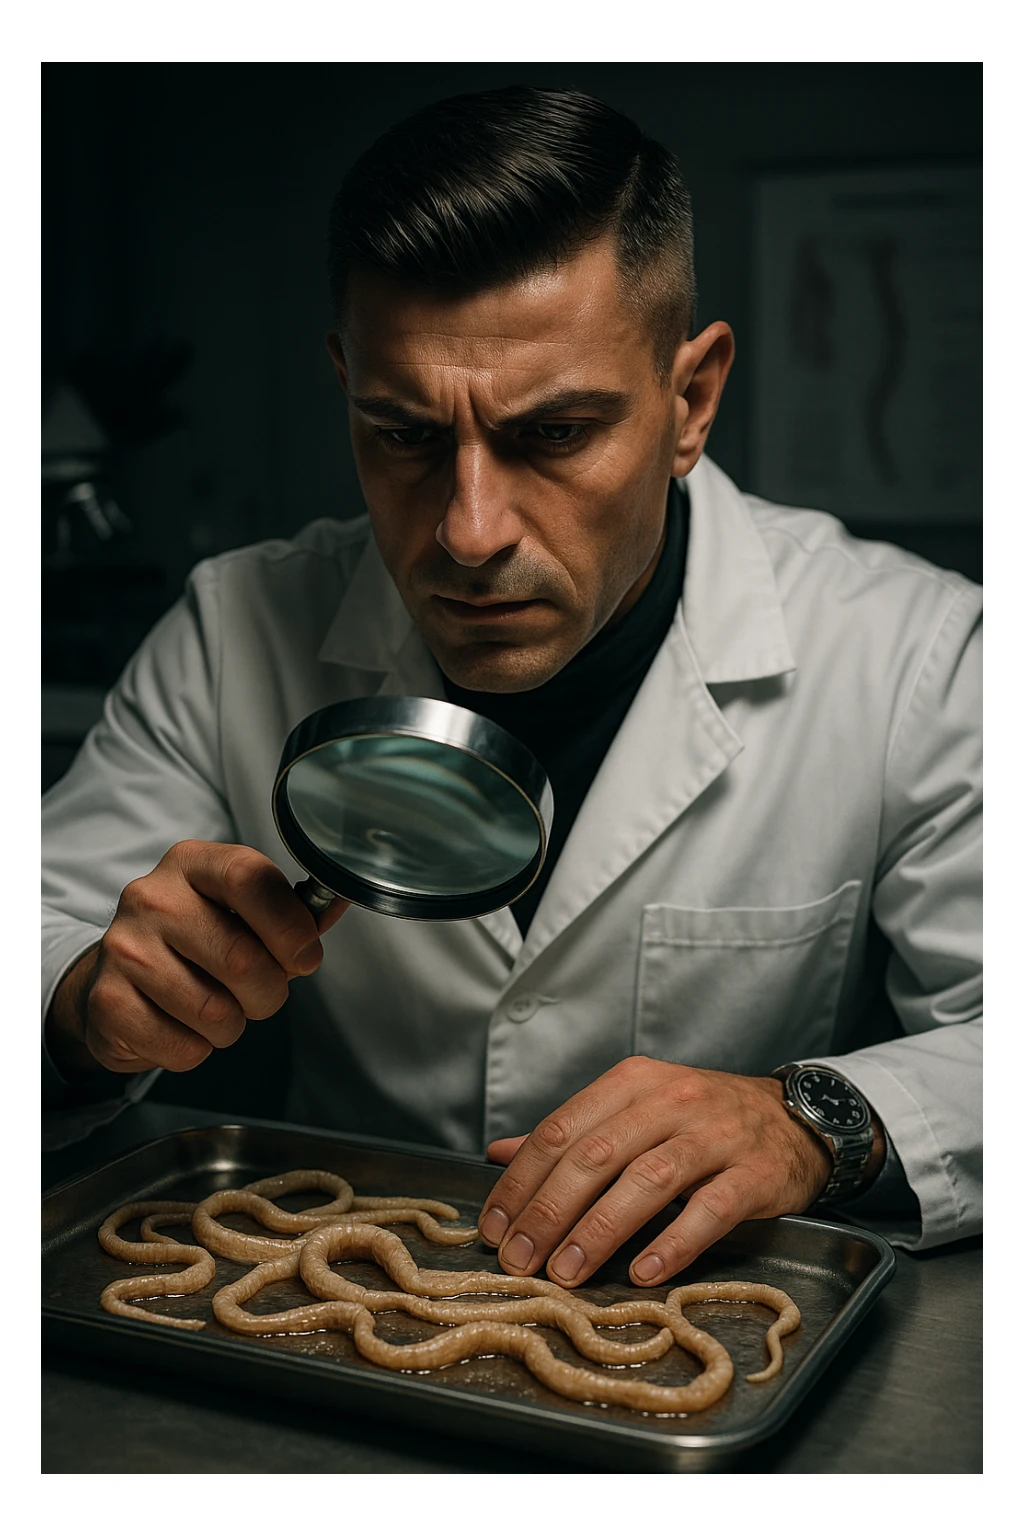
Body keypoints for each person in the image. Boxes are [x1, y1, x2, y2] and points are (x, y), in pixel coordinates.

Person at [42, 86, 981, 1291]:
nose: (471, 531)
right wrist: (85, 998)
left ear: (689, 401)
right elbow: (41, 922)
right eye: (402, 434)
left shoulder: (916, 657)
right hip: (338, 1306)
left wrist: (811, 1120)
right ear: (345, 385)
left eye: (554, 435)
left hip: (704, 1337)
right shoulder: (234, 625)